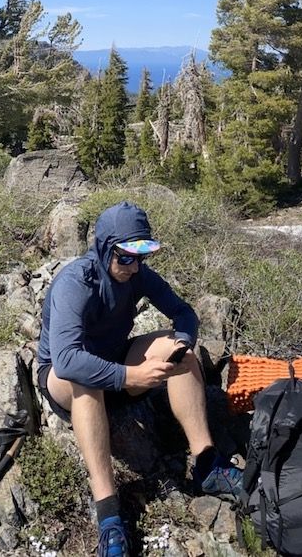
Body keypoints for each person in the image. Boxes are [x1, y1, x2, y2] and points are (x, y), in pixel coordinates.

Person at [35, 201, 240, 557]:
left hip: (116, 361)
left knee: (181, 352)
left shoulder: (137, 274)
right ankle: (110, 517)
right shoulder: (75, 283)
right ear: (104, 248)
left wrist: (182, 343)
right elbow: (66, 360)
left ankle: (207, 463)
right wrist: (129, 376)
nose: (133, 266)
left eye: (141, 257)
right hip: (66, 380)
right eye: (125, 257)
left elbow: (183, 313)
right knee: (86, 383)